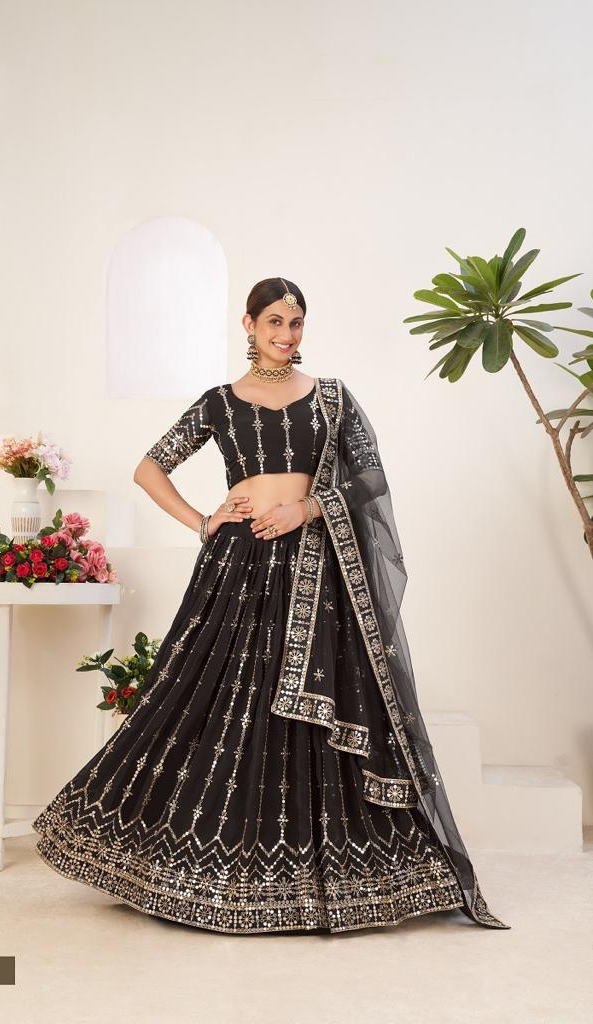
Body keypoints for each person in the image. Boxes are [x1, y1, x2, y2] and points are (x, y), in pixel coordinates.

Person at [32, 277, 510, 934]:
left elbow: (370, 477)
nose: (286, 335)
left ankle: (327, 875)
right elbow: (149, 468)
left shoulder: (332, 398)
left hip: (317, 566)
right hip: (239, 563)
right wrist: (204, 522)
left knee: (318, 707)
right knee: (210, 696)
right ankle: (201, 864)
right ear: (249, 325)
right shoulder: (219, 403)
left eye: (296, 323)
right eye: (275, 322)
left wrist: (306, 509)